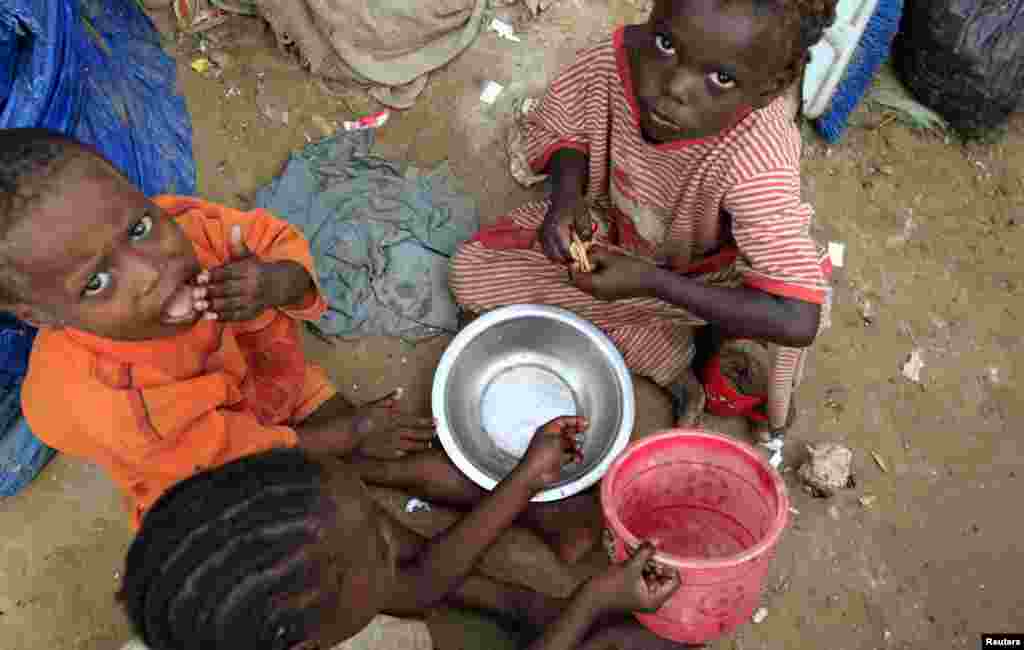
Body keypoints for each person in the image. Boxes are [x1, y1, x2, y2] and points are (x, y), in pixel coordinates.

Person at [0, 128, 434, 527]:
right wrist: (351, 434)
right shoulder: (117, 403)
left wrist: (276, 280)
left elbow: (272, 239)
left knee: (397, 461)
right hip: (202, 462)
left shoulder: (187, 225)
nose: (151, 271)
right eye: (97, 283)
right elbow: (231, 457)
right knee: (341, 530)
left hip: (261, 378)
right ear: (40, 316)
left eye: (138, 228)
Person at [450, 0, 836, 431]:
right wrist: (565, 195)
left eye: (721, 78)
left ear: (768, 90)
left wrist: (652, 282)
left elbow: (798, 316)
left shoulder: (757, 156)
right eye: (667, 43)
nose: (674, 87)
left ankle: (675, 348)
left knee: (735, 373)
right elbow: (566, 125)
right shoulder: (617, 59)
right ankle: (663, 352)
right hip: (614, 235)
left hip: (698, 282)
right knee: (470, 271)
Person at [118, 417, 684, 650]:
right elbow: (414, 586)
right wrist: (588, 601)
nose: (400, 538)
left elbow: (414, 587)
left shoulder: (239, 606)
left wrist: (528, 478)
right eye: (381, 547)